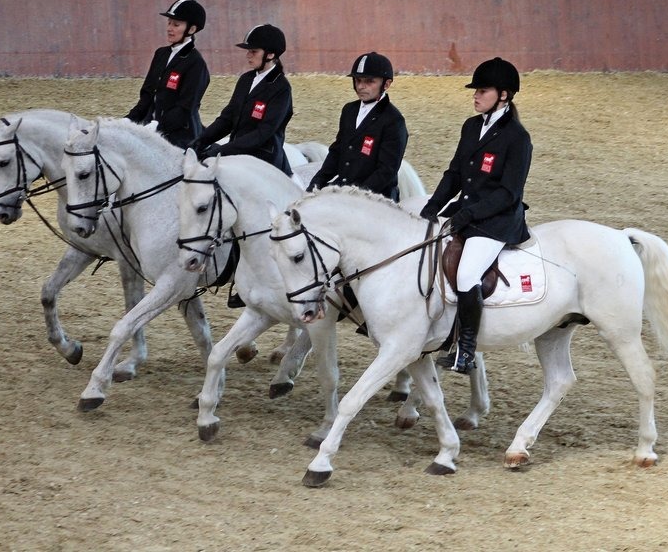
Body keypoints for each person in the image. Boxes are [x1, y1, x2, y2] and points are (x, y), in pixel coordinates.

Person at [419, 57, 532, 374]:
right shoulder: (471, 127)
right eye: (476, 91)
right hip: (466, 212)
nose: (475, 96)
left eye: (483, 91)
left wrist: (469, 213)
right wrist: (432, 207)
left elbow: (509, 192)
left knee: (467, 275)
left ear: (504, 95)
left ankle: (465, 351)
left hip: (496, 220)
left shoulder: (517, 138)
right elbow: (455, 173)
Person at [192, 24, 294, 177]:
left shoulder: (281, 88)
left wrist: (222, 150)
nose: (248, 55)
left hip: (264, 160)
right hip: (238, 154)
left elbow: (263, 133)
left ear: (271, 54)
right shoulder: (246, 80)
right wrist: (201, 141)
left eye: (253, 51)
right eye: (248, 51)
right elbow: (227, 118)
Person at [306, 52, 408, 201]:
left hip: (375, 196)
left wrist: (356, 196)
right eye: (358, 80)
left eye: (369, 81)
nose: (361, 86)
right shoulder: (349, 110)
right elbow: (337, 151)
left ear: (386, 84)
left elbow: (386, 171)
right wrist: (318, 181)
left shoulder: (393, 120)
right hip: (344, 188)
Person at [125, 0, 210, 149]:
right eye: (169, 23)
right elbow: (147, 95)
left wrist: (157, 126)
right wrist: (129, 119)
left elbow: (185, 108)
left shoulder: (196, 63)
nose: (169, 28)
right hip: (149, 127)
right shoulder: (161, 54)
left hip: (179, 136)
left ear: (191, 29)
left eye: (176, 24)